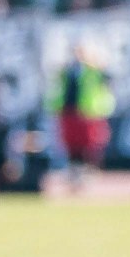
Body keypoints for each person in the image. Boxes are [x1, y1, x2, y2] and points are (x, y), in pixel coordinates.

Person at [50, 42, 115, 190]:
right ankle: (74, 174)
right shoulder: (67, 70)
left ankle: (87, 174)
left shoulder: (94, 70)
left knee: (90, 145)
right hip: (69, 111)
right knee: (71, 144)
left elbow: (108, 79)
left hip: (88, 112)